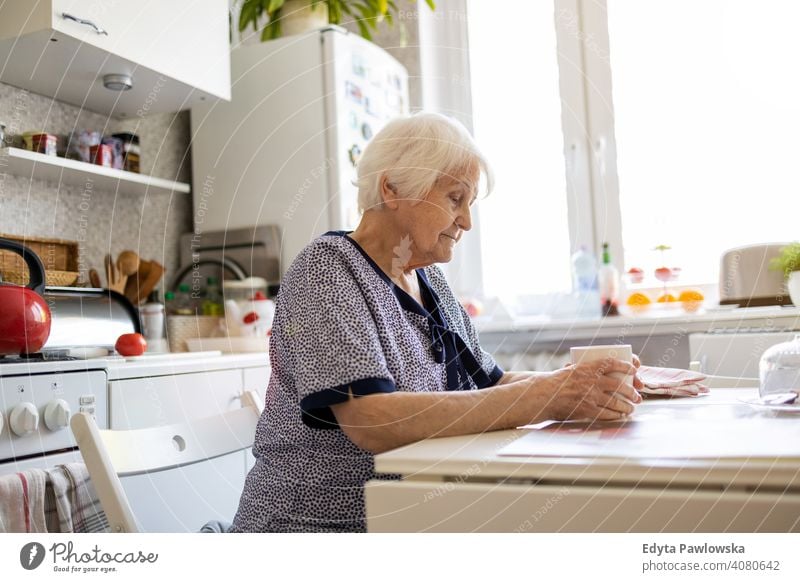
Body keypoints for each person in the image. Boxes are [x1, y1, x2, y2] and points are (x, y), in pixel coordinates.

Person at [231, 112, 642, 533]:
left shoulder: (428, 278)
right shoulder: (328, 269)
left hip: (409, 515)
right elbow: (371, 419)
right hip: (316, 530)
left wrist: (593, 384)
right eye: (454, 198)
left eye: (469, 204)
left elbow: (492, 383)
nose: (466, 221)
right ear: (392, 188)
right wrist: (552, 394)